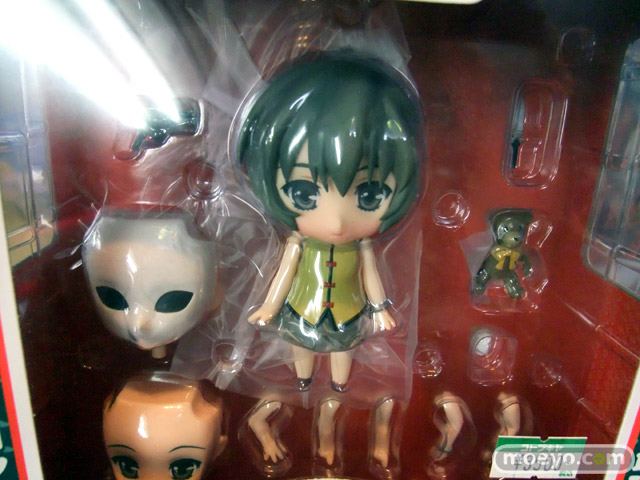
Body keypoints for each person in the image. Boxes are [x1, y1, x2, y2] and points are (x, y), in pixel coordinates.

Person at [237, 50, 423, 392]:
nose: (337, 222)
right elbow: (284, 274)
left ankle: (339, 382)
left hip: (349, 312)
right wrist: (270, 306)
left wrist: (379, 309)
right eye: (303, 194)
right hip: (301, 308)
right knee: (300, 344)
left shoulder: (361, 247)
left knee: (344, 348)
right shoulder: (298, 244)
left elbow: (370, 277)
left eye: (369, 196)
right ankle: (303, 377)